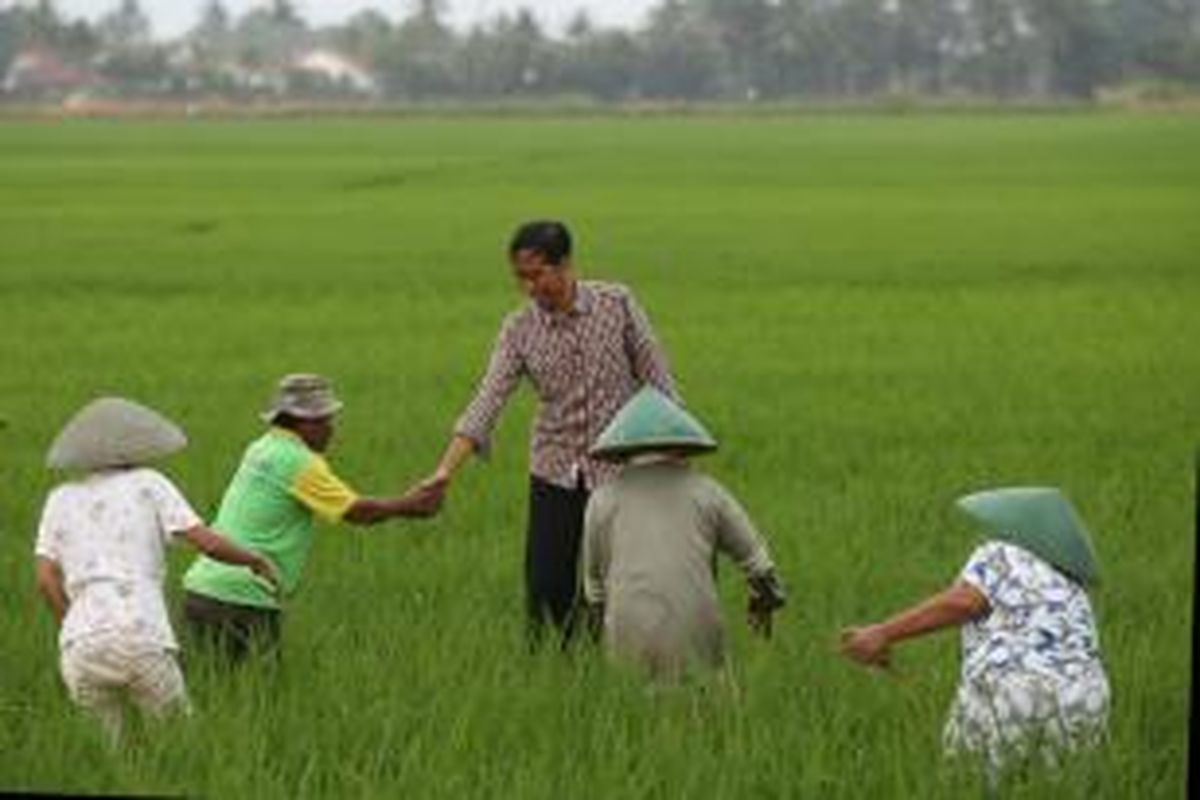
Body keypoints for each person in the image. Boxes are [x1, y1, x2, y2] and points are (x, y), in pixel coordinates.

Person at [422, 220, 677, 647]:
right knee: (546, 588)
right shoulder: (519, 329)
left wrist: (676, 452)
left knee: (621, 583)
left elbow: (658, 378)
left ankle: (613, 662)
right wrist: (445, 471)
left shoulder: (617, 304)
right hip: (555, 469)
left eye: (536, 274)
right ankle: (554, 670)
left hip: (620, 471)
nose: (529, 286)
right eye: (521, 277)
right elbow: (488, 400)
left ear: (565, 265)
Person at [34, 397, 279, 744]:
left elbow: (45, 580)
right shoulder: (149, 483)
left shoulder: (59, 498)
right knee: (180, 744)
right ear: (133, 445)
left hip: (80, 648)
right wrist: (253, 560)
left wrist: (75, 625)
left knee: (109, 753)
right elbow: (206, 542)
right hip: (141, 635)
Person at [840, 486, 1110, 777]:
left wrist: (883, 632)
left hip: (1013, 686)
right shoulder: (1072, 586)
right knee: (1051, 786)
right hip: (1088, 696)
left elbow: (964, 602)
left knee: (966, 780)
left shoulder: (1001, 552)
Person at [182, 373, 441, 661]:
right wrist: (409, 504)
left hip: (202, 590)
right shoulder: (299, 462)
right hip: (244, 598)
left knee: (217, 692)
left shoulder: (261, 447)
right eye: (325, 420)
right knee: (264, 696)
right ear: (304, 422)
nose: (331, 429)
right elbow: (357, 512)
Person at [581, 386, 785, 683]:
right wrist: (762, 605)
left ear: (624, 452)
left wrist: (600, 642)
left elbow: (594, 592)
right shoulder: (708, 492)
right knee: (709, 697)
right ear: (682, 448)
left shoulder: (601, 500)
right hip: (697, 638)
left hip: (626, 640)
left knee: (630, 705)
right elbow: (761, 567)